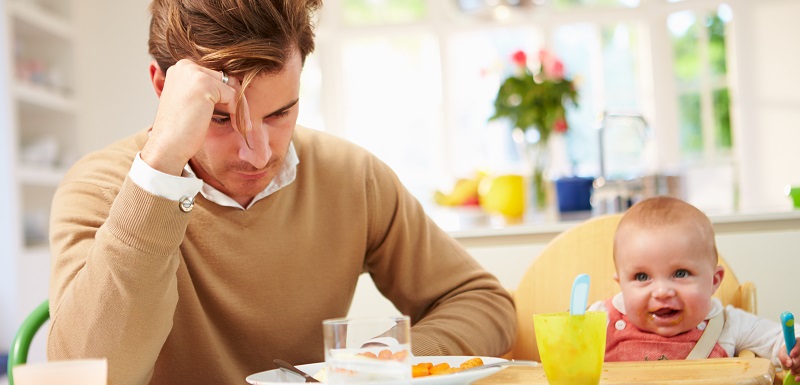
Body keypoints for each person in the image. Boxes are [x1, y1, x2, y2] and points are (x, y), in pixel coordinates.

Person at [46, 0, 516, 384]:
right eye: (221, 118)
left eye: (279, 114)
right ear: (162, 88)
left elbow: (483, 301)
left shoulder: (352, 176)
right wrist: (159, 170)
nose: (257, 153)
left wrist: (385, 359)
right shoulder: (100, 190)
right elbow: (90, 376)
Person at [588, 196, 799, 380]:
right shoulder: (600, 320)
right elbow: (558, 351)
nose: (662, 291)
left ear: (714, 281)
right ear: (622, 286)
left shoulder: (727, 324)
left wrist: (794, 349)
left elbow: (779, 336)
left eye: (680, 273)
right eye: (642, 276)